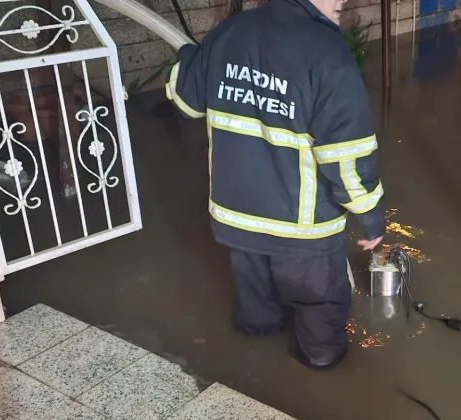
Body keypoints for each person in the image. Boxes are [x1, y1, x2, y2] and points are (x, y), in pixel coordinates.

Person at [165, 0, 385, 369]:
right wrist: (371, 213)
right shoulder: (327, 53)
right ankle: (319, 371)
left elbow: (183, 98)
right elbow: (346, 156)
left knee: (258, 312)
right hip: (301, 231)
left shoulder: (229, 33)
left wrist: (192, 56)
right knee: (321, 311)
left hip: (237, 221)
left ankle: (256, 364)